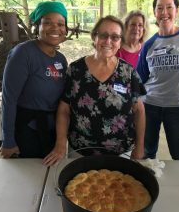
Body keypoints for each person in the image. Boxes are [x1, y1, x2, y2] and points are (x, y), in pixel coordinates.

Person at [43, 15, 146, 166]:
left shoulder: (128, 72)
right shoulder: (76, 69)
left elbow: (139, 111)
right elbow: (64, 109)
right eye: (103, 35)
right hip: (80, 152)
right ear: (94, 37)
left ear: (120, 42)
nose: (108, 41)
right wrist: (60, 144)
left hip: (121, 153)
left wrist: (140, 146)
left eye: (115, 37)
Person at [137, 0, 179, 160]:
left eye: (169, 7)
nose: (164, 12)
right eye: (159, 8)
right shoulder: (149, 44)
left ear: (177, 10)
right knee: (147, 153)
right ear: (154, 13)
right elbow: (139, 79)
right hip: (150, 105)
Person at [0, 1, 68, 158]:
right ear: (37, 26)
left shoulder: (61, 59)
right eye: (47, 22)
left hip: (51, 131)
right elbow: (8, 99)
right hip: (26, 130)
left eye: (60, 24)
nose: (55, 28)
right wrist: (8, 140)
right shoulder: (23, 53)